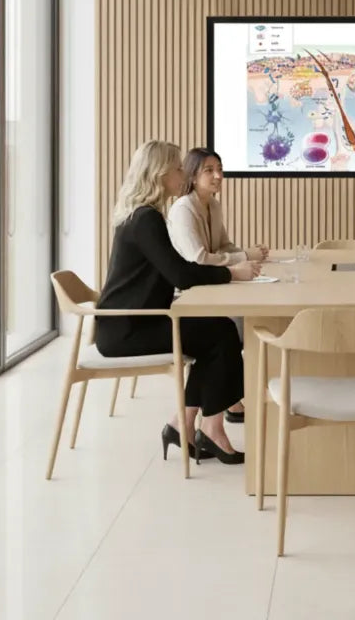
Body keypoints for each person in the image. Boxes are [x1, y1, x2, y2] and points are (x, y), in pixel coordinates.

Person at [95, 140, 261, 465]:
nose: (181, 172)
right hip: (127, 330)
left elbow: (178, 271)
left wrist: (229, 270)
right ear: (159, 174)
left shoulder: (142, 215)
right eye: (176, 167)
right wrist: (233, 274)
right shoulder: (146, 219)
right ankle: (208, 429)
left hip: (132, 322)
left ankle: (184, 425)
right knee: (221, 335)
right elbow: (181, 274)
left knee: (219, 332)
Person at [168, 146, 269, 423]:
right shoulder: (183, 209)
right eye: (209, 171)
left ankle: (220, 404)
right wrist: (243, 258)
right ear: (192, 175)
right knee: (234, 328)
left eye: (220, 170)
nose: (218, 176)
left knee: (234, 327)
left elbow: (222, 246)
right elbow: (198, 259)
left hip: (211, 288)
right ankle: (227, 402)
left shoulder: (212, 204)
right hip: (187, 296)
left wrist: (247, 253)